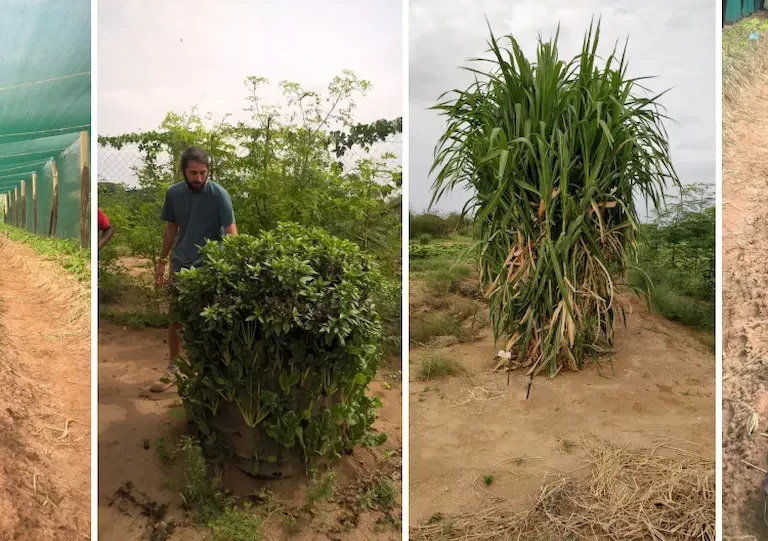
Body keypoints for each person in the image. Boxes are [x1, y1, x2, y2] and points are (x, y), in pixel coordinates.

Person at [151, 145, 237, 392]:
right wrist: (162, 260)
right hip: (182, 262)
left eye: (202, 173)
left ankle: (206, 371)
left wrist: (231, 261)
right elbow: (171, 228)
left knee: (208, 318)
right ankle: (173, 368)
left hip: (210, 264)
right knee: (176, 317)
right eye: (193, 173)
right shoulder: (174, 194)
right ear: (183, 172)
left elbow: (230, 230)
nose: (198, 178)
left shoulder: (219, 194)